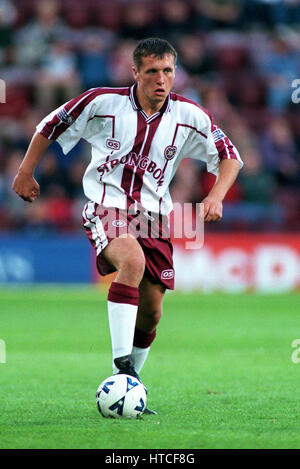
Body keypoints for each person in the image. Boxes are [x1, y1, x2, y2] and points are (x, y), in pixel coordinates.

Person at [12, 37, 243, 415]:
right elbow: (50, 125)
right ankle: (122, 372)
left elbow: (230, 157)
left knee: (152, 311)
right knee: (131, 264)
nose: (161, 79)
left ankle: (129, 383)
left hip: (154, 219)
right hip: (107, 206)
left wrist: (215, 195)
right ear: (134, 72)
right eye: (152, 71)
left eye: (168, 71)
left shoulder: (190, 116)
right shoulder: (102, 102)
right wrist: (25, 171)